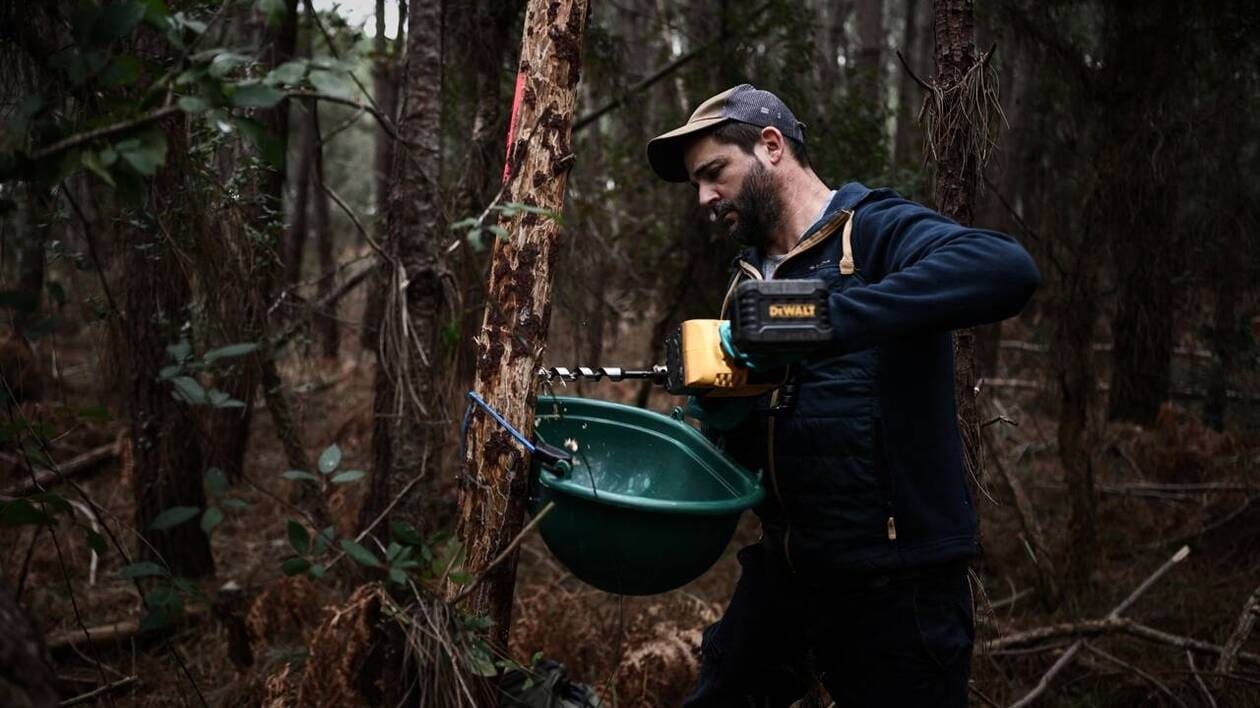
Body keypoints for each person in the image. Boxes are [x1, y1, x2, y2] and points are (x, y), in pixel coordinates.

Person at [645, 84, 1040, 707]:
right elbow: (771, 449)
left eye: (714, 172)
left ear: (770, 146)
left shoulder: (875, 231)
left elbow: (1006, 270)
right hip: (790, 571)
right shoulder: (744, 283)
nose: (704, 197)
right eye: (696, 183)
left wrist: (818, 319)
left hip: (897, 587)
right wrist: (730, 418)